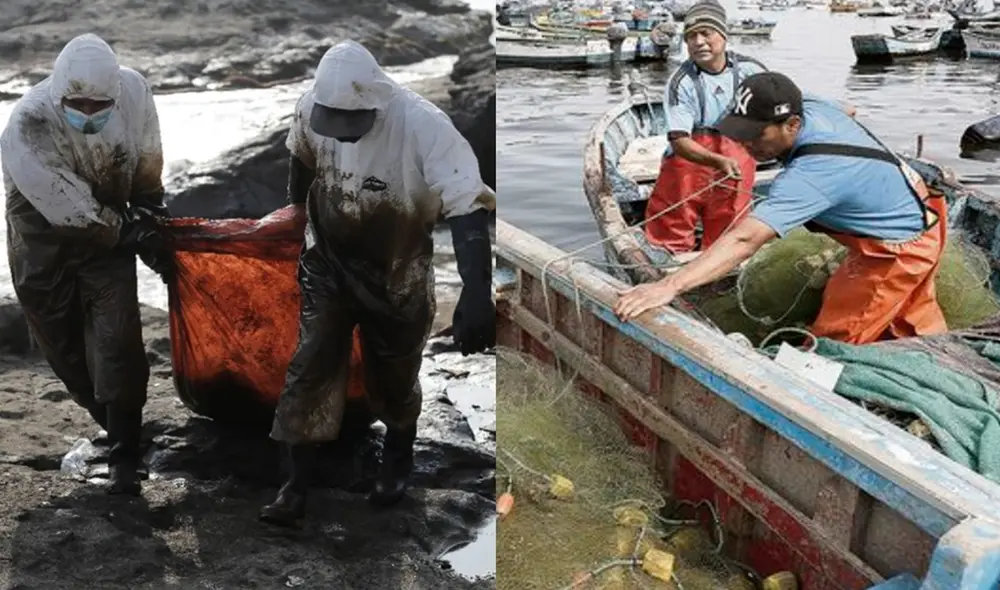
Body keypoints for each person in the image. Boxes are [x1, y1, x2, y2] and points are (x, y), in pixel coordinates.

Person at [258, 40, 496, 528]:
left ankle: (396, 459)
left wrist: (476, 293)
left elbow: (468, 209)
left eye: (352, 123)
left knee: (396, 373)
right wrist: (295, 221)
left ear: (375, 103)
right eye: (334, 124)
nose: (342, 135)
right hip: (328, 260)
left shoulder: (423, 126)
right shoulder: (310, 107)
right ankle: (294, 485)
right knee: (311, 363)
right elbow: (301, 163)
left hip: (397, 267)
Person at [616, 72, 947, 345]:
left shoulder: (811, 175)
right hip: (924, 206)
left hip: (895, 249)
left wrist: (668, 286)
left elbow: (745, 240)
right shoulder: (814, 106)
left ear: (792, 124)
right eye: (739, 132)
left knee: (836, 339)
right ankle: (934, 352)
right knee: (912, 319)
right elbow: (848, 110)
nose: (745, 145)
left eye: (756, 135)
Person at [0, 34, 173, 496]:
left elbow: (147, 159)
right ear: (60, 95)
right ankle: (108, 420)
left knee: (118, 339)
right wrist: (131, 233)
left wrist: (151, 211)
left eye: (101, 105)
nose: (90, 113)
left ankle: (123, 452)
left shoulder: (134, 93)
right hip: (43, 240)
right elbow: (68, 208)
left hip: (108, 237)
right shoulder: (29, 123)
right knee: (65, 347)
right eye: (79, 104)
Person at [644, 0, 767, 255]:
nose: (698, 42)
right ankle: (667, 270)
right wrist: (716, 160)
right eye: (691, 36)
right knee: (673, 224)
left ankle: (721, 273)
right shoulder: (682, 82)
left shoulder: (750, 71)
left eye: (705, 33)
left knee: (731, 226)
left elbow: (779, 107)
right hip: (690, 161)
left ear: (723, 35)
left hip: (736, 154)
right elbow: (679, 140)